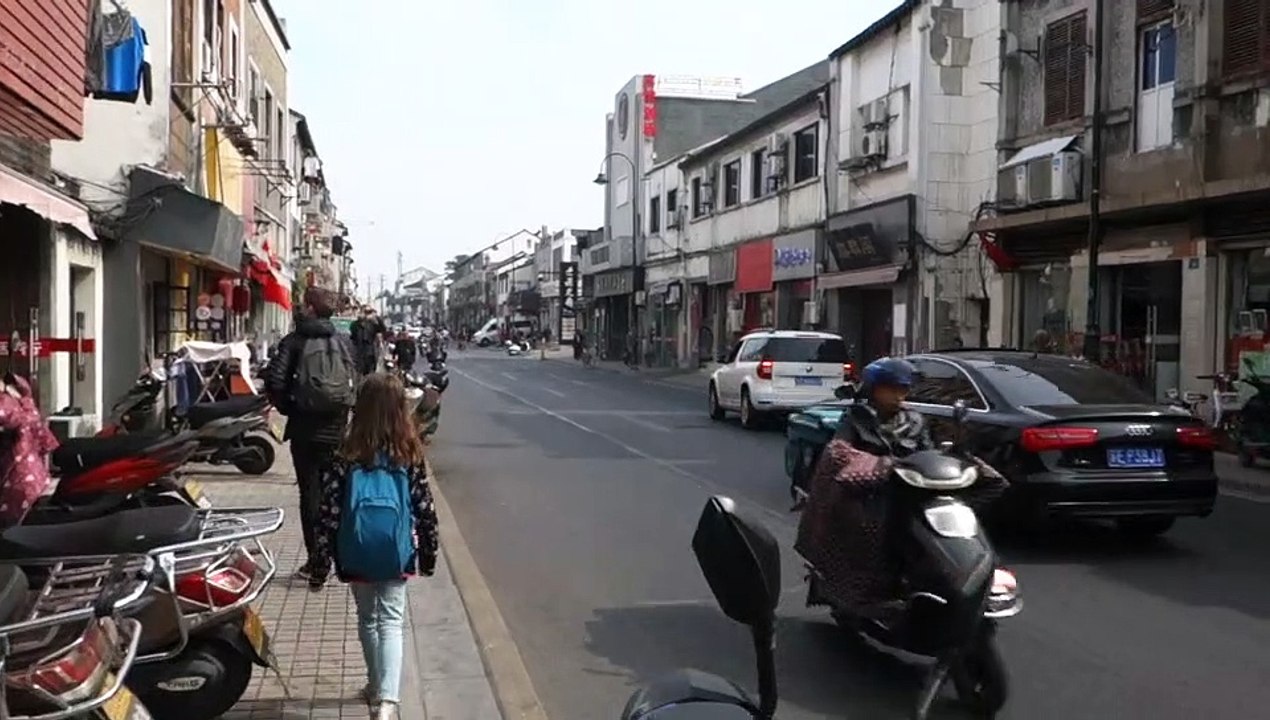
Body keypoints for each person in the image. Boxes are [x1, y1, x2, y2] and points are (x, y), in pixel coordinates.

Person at [794, 357, 1005, 617]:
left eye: (903, 389)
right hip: (873, 493)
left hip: (914, 489)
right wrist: (876, 466)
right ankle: (867, 594)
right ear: (874, 389)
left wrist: (952, 455)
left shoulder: (915, 420)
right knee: (870, 526)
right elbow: (839, 452)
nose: (898, 396)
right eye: (891, 389)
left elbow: (928, 452)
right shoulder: (855, 420)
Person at [308, 373, 439, 720]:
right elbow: (425, 509)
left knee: (368, 618)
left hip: (356, 550)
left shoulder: (345, 453)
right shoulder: (409, 453)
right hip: (396, 551)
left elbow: (327, 513)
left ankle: (375, 685)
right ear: (399, 410)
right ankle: (388, 702)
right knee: (392, 620)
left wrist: (320, 566)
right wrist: (428, 555)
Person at [265, 287, 359, 580]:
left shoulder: (294, 341)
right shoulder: (344, 342)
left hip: (305, 431)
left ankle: (316, 562)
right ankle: (339, 556)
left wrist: (291, 408)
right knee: (335, 494)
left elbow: (275, 381)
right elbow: (355, 380)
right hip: (336, 431)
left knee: (310, 495)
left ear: (309, 308)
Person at [351, 308, 387, 375]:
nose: (366, 315)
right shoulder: (356, 325)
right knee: (360, 372)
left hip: (370, 353)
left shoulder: (372, 324)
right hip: (359, 353)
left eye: (368, 313)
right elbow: (352, 334)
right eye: (365, 312)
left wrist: (376, 317)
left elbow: (383, 329)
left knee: (370, 372)